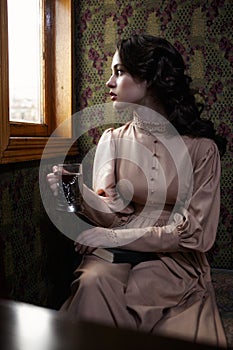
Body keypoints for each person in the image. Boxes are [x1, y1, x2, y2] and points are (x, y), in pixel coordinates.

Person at [47, 34, 227, 347]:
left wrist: (114, 236)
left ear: (148, 78)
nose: (108, 82)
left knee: (144, 289)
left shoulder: (201, 150)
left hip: (174, 257)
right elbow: (113, 215)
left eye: (119, 72)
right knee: (93, 283)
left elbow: (199, 234)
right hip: (115, 250)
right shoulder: (112, 140)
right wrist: (79, 194)